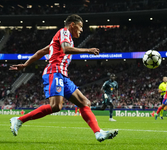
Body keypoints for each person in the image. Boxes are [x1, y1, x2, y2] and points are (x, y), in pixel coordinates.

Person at [9, 14, 118, 142]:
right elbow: (66, 49)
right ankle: (19, 120)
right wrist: (88, 50)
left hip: (62, 74)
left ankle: (98, 133)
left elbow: (41, 52)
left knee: (85, 103)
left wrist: (25, 64)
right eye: (80, 26)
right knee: (56, 106)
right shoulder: (64, 32)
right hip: (54, 71)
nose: (82, 30)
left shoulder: (61, 39)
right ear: (72, 24)